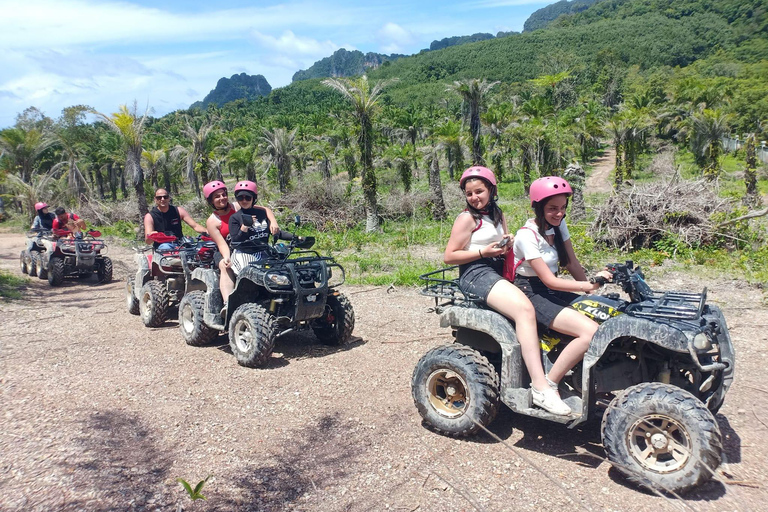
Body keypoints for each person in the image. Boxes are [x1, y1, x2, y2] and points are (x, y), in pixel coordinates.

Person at [444, 166, 571, 415]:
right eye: (469, 193)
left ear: (491, 190)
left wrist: (506, 244)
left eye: (479, 191)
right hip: (475, 274)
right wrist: (483, 252)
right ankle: (541, 388)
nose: (474, 197)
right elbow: (449, 256)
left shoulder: (496, 213)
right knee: (524, 310)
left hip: (497, 268)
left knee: (538, 300)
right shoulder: (467, 219)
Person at [511, 176, 613, 397]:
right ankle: (548, 384)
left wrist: (590, 291)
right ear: (538, 207)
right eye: (552, 208)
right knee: (589, 332)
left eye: (563, 207)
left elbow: (570, 262)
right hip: (531, 291)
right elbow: (549, 280)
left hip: (551, 288)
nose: (559, 213)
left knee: (605, 314)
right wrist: (590, 283)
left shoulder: (558, 225)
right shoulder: (525, 236)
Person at [227, 181, 280, 277]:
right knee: (249, 275)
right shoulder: (235, 218)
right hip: (244, 253)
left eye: (247, 197)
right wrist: (245, 227)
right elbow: (235, 241)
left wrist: (296, 237)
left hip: (264, 251)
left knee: (281, 271)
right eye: (240, 197)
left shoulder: (262, 213)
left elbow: (274, 232)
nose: (244, 201)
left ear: (253, 198)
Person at [203, 180, 238, 306]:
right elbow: (221, 244)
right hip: (226, 249)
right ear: (211, 201)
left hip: (247, 246)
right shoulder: (212, 221)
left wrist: (273, 222)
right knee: (225, 265)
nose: (222, 198)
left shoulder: (237, 207)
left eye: (223, 194)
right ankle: (228, 304)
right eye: (217, 196)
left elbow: (262, 210)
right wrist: (227, 257)